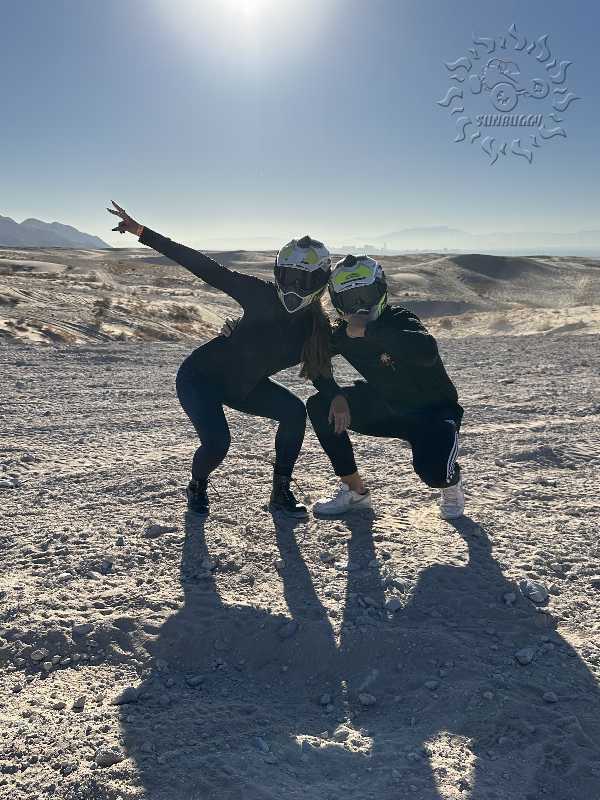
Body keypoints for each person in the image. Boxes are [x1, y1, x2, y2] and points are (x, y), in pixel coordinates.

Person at [107, 201, 332, 518]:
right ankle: (197, 485)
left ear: (321, 283)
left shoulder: (318, 329)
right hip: (200, 379)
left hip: (245, 386)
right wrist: (143, 232)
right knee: (217, 444)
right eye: (289, 277)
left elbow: (342, 358)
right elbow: (205, 267)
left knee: (295, 412)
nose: (295, 287)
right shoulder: (260, 294)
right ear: (277, 274)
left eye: (304, 280)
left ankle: (280, 493)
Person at [306, 254, 465, 520]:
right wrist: (335, 395)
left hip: (434, 411)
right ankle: (355, 492)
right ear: (337, 301)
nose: (360, 306)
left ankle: (452, 485)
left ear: (381, 290)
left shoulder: (400, 319)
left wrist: (368, 332)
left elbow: (426, 352)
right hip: (388, 408)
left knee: (434, 475)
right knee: (320, 405)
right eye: (350, 298)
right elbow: (315, 363)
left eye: (366, 295)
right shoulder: (342, 334)